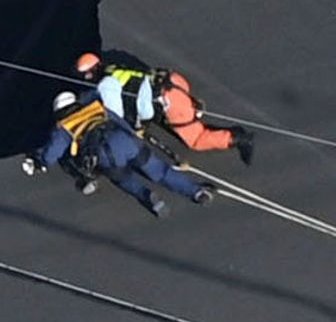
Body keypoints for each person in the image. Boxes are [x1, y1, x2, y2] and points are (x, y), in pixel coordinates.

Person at [25, 91, 214, 217]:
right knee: (160, 171)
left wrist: (38, 162)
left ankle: (147, 196)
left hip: (105, 154)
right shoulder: (96, 108)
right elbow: (121, 122)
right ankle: (196, 192)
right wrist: (135, 139)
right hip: (126, 141)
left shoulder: (64, 127)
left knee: (124, 179)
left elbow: (52, 153)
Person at [76, 52, 254, 164]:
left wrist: (133, 128)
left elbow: (117, 115)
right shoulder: (113, 68)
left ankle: (238, 138)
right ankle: (191, 109)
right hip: (172, 80)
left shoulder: (105, 86)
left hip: (169, 100)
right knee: (180, 117)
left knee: (196, 140)